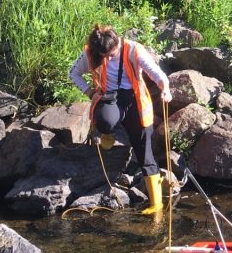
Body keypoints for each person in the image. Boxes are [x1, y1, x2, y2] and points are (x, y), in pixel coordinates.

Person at [70, 25, 173, 215]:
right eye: (105, 56)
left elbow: (156, 73)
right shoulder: (91, 53)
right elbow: (73, 73)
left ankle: (156, 204)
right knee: (104, 121)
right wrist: (89, 92)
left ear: (118, 43)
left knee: (145, 152)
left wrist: (165, 89)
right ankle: (107, 134)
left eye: (112, 53)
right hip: (110, 97)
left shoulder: (134, 50)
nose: (108, 58)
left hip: (135, 100)